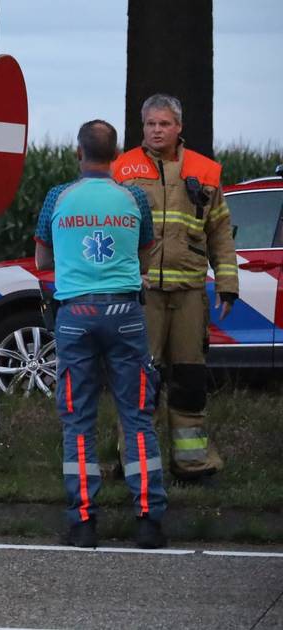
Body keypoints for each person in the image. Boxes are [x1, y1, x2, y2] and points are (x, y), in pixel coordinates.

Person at [35, 120, 168, 549]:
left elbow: (41, 258)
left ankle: (83, 523)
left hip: (75, 314)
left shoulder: (58, 197)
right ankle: (148, 521)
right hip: (125, 313)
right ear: (115, 155)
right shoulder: (133, 198)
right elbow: (144, 261)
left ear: (78, 152)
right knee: (137, 417)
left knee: (77, 419)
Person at [112, 94, 237, 484]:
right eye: (150, 124)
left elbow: (219, 232)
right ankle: (133, 462)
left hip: (189, 295)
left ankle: (193, 465)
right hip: (141, 293)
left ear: (179, 127)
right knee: (137, 383)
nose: (155, 131)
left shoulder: (206, 171)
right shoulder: (122, 168)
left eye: (163, 124)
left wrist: (228, 284)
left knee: (189, 382)